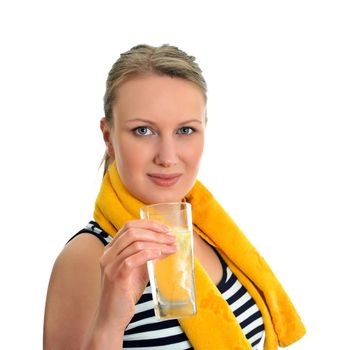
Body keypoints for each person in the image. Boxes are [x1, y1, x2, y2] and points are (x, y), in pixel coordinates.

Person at [43, 44, 305, 349]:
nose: (167, 157)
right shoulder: (88, 258)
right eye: (143, 131)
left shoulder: (211, 233)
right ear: (108, 137)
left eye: (185, 131)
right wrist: (110, 323)